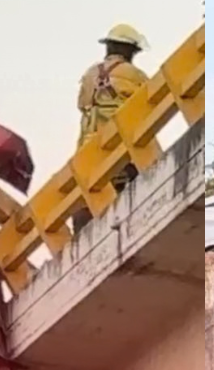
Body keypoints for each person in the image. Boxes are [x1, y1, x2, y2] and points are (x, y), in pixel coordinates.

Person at [73, 23, 150, 234]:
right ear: (129, 50)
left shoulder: (90, 75)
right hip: (119, 151)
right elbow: (149, 107)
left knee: (85, 200)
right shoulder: (134, 75)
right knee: (144, 184)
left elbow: (81, 105)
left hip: (87, 150)